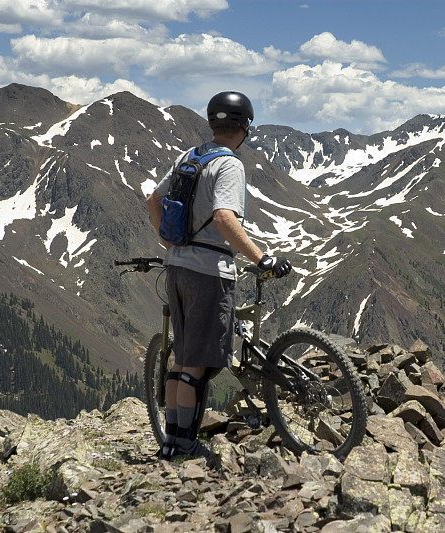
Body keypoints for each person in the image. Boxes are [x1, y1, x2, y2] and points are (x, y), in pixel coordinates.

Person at [146, 91, 292, 460]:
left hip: (176, 268)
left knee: (182, 359)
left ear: (214, 122)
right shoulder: (229, 165)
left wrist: (168, 240)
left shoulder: (190, 156)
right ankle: (184, 446)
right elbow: (225, 218)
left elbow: (152, 199)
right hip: (208, 274)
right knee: (197, 364)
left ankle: (172, 442)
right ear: (244, 125)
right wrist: (262, 260)